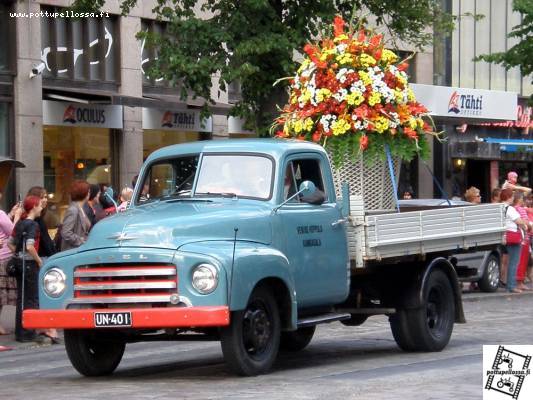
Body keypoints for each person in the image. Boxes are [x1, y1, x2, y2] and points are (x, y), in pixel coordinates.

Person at [8, 195, 44, 342]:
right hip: (29, 264)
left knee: (21, 298)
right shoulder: (33, 225)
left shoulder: (20, 223)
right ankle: (29, 332)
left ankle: (20, 332)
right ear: (34, 206)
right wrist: (38, 260)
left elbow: (10, 243)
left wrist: (18, 254)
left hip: (18, 263)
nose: (41, 208)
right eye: (40, 205)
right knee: (32, 298)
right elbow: (30, 246)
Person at [0, 190, 21, 336]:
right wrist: (17, 216)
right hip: (3, 257)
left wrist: (10, 214)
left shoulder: (2, 214)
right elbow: (14, 232)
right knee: (1, 294)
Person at [500, 188, 528, 294]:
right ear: (508, 197)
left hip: (503, 237)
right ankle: (511, 286)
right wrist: (526, 224)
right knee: (514, 262)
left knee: (507, 262)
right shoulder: (510, 209)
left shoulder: (499, 207)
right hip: (513, 237)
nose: (513, 198)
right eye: (511, 196)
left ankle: (508, 284)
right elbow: (518, 221)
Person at [60, 180, 91, 251]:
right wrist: (81, 241)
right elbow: (66, 232)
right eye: (88, 192)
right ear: (84, 193)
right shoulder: (73, 210)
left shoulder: (80, 208)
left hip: (79, 250)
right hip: (72, 251)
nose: (89, 194)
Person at [512, 192, 533, 291]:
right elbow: (525, 222)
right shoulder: (519, 209)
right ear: (519, 199)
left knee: (519, 260)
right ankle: (519, 282)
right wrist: (529, 225)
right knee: (522, 261)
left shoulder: (514, 209)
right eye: (522, 198)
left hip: (521, 237)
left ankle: (519, 281)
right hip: (524, 238)